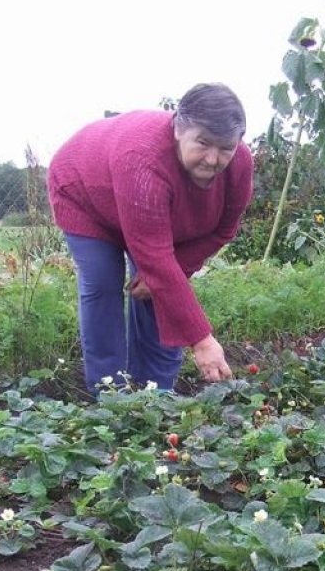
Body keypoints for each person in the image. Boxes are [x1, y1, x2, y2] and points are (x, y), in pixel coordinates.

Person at [47, 83, 254, 394]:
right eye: (203, 143)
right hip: (85, 193)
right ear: (177, 129)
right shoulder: (143, 159)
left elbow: (223, 231)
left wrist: (173, 268)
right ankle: (110, 396)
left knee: (155, 291)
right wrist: (202, 339)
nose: (213, 159)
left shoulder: (239, 165)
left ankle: (155, 395)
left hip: (153, 212)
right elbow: (156, 258)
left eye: (225, 147)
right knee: (103, 284)